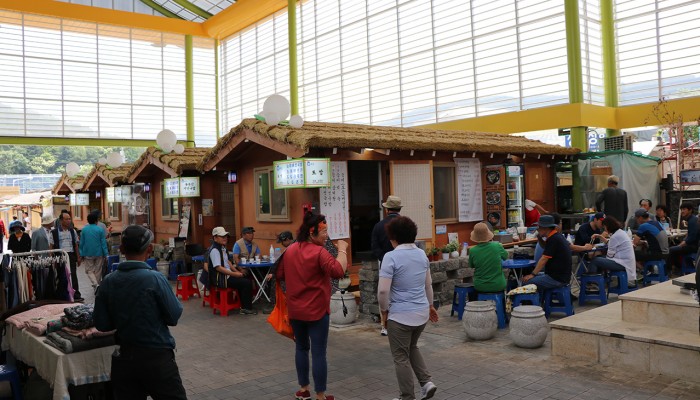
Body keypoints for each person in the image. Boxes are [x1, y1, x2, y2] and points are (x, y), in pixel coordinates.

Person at [93, 225, 186, 400]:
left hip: (124, 359)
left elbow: (101, 324)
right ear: (149, 249)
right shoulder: (155, 278)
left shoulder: (108, 281)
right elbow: (173, 316)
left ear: (121, 249)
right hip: (157, 358)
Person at [275, 213, 348, 400]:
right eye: (323, 232)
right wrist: (342, 250)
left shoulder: (290, 250)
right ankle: (321, 395)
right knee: (318, 352)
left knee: (301, 348)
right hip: (317, 311)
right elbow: (338, 271)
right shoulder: (319, 252)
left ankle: (304, 390)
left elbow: (280, 274)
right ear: (311, 232)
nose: (326, 235)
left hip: (296, 310)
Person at [377, 216, 438, 400]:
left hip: (400, 316)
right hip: (421, 313)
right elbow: (428, 285)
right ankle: (426, 382)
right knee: (411, 346)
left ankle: (407, 397)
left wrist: (384, 311)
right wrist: (430, 306)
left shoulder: (390, 257)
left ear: (393, 237)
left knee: (400, 357)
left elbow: (383, 291)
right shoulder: (421, 254)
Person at [207, 226, 257, 315]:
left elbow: (228, 262)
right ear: (215, 238)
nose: (225, 238)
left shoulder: (223, 248)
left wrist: (237, 272)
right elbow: (218, 268)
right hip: (220, 279)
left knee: (245, 278)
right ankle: (246, 308)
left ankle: (243, 305)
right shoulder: (215, 250)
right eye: (222, 236)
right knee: (246, 283)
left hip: (227, 275)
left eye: (226, 236)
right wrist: (234, 274)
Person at [371, 195, 402, 336]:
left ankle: (385, 325)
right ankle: (401, 322)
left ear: (387, 209)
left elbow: (374, 246)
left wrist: (384, 258)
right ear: (399, 209)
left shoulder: (379, 226)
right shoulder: (405, 224)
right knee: (401, 291)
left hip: (385, 264)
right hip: (403, 263)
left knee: (385, 293)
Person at [523, 215, 572, 292]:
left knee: (526, 282)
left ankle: (536, 300)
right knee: (530, 277)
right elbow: (545, 246)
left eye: (539, 227)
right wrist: (539, 237)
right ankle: (541, 298)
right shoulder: (556, 236)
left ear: (545, 228)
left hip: (557, 278)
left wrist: (533, 274)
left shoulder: (554, 239)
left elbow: (544, 259)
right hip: (559, 276)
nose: (538, 229)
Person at [587, 216, 637, 285]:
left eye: (604, 227)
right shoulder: (621, 232)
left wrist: (600, 254)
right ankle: (600, 282)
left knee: (595, 260)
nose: (604, 229)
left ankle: (591, 283)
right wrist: (600, 236)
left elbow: (609, 255)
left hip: (622, 264)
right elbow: (611, 243)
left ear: (607, 226)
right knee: (600, 259)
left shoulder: (615, 236)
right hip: (626, 262)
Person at [467, 222, 508, 295]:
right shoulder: (497, 246)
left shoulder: (472, 250)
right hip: (498, 285)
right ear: (488, 234)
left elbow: (471, 265)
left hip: (480, 286)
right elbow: (505, 256)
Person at [52, 210, 82, 301]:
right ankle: (64, 295)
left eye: (69, 219)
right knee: (62, 275)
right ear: (61, 220)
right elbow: (51, 247)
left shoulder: (73, 231)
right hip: (60, 256)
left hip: (71, 255)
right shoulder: (54, 232)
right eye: (67, 219)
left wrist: (78, 257)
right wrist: (52, 258)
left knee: (73, 275)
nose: (69, 221)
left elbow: (75, 245)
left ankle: (76, 294)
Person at [80, 212, 109, 294]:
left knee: (89, 270)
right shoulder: (100, 230)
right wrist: (106, 254)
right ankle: (97, 287)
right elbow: (103, 243)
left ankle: (96, 285)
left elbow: (82, 243)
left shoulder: (84, 230)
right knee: (98, 271)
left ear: (88, 221)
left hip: (88, 252)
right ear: (96, 221)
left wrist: (81, 253)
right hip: (99, 253)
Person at [668, 202, 698, 276]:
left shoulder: (692, 221)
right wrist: (683, 242)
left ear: (690, 210)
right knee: (675, 246)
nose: (682, 211)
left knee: (671, 250)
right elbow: (690, 234)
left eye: (684, 209)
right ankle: (683, 268)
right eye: (681, 209)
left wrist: (683, 243)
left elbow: (693, 236)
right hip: (693, 245)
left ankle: (673, 270)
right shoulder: (692, 219)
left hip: (694, 246)